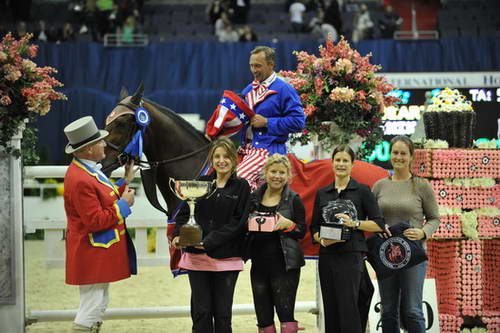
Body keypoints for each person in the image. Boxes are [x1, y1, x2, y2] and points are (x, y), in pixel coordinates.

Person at [63, 116, 137, 332]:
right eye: (100, 141)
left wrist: (125, 182)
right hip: (92, 250)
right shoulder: (81, 179)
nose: (105, 144)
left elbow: (104, 198)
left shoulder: (86, 170)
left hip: (96, 250)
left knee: (97, 303)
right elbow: (95, 221)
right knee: (91, 306)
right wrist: (124, 205)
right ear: (88, 149)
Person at [172, 136, 251, 333]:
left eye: (226, 156)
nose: (221, 160)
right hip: (197, 260)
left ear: (234, 159)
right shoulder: (200, 183)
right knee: (201, 312)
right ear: (212, 159)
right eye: (217, 156)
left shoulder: (242, 187)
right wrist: (177, 235)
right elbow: (183, 214)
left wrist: (209, 242)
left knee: (223, 314)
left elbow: (238, 223)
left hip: (227, 258)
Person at [310, 145, 385, 333]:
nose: (341, 164)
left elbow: (378, 224)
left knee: (349, 309)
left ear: (352, 165)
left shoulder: (362, 191)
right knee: (331, 308)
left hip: (351, 257)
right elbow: (314, 227)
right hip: (327, 256)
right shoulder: (322, 193)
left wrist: (355, 223)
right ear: (332, 163)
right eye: (338, 160)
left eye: (345, 161)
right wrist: (320, 239)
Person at [373, 136, 440, 333]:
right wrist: (378, 227)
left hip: (414, 257)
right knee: (387, 311)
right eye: (395, 153)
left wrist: (422, 232)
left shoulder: (421, 186)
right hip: (386, 257)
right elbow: (372, 218)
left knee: (412, 310)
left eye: (403, 153)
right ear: (390, 155)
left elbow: (434, 218)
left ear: (411, 157)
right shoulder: (379, 186)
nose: (399, 157)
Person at [243, 154, 306, 333]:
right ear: (265, 172)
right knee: (263, 317)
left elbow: (302, 230)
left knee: (285, 314)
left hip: (285, 265)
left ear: (288, 176)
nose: (277, 176)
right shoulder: (254, 198)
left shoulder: (294, 199)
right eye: (273, 171)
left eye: (281, 172)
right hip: (259, 264)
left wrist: (289, 225)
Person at [238, 46, 305, 190]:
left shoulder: (284, 89)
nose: (254, 70)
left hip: (268, 150)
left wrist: (268, 122)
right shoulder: (248, 90)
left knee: (239, 181)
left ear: (271, 64)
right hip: (247, 148)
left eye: (258, 66)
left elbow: (299, 121)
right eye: (251, 65)